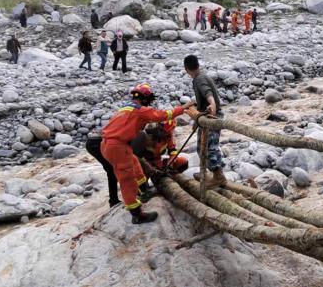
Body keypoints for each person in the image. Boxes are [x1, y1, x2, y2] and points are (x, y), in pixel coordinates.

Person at [95, 84, 192, 222]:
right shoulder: (139, 111)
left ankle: (144, 189)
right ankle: (137, 214)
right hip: (117, 146)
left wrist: (171, 158)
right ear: (145, 98)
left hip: (109, 144)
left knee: (134, 162)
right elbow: (162, 115)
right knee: (127, 180)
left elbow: (171, 147)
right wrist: (182, 109)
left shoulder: (125, 109)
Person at [183, 54, 228, 188]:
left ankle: (219, 177)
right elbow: (203, 96)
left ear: (186, 69)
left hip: (212, 117)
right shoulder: (202, 76)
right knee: (201, 147)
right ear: (198, 64)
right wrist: (186, 106)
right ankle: (210, 173)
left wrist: (212, 105)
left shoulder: (199, 80)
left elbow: (208, 94)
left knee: (210, 147)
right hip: (206, 116)